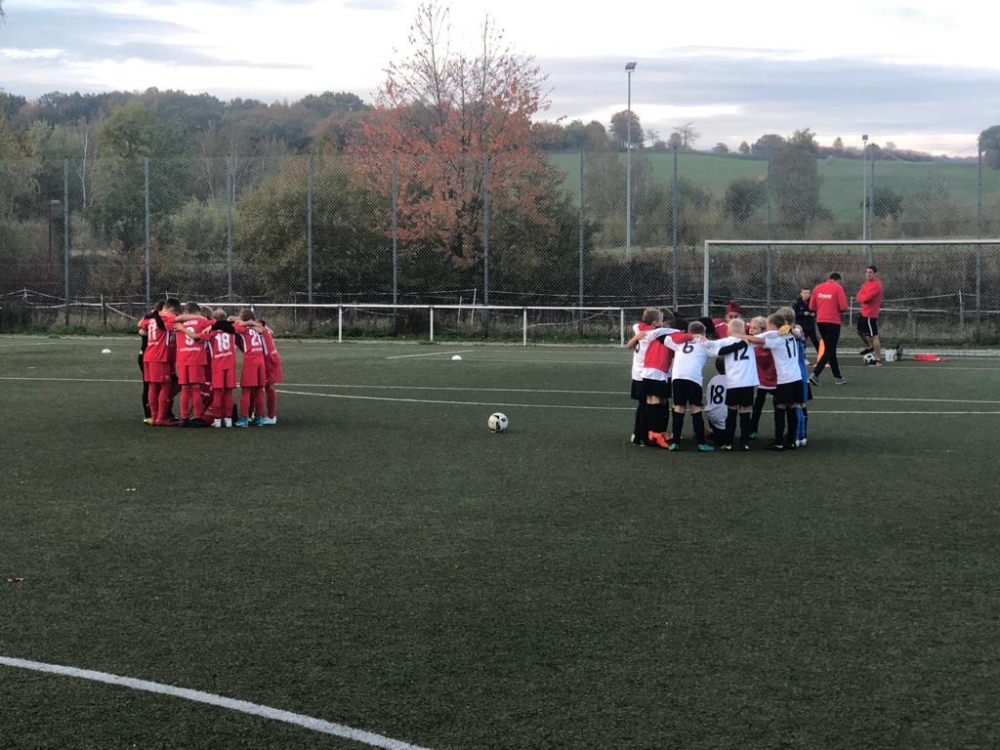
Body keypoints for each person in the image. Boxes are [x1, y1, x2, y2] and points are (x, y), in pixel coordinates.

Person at [743, 313, 806, 451]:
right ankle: (792, 441)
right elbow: (798, 331)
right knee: (792, 408)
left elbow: (758, 340)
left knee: (780, 408)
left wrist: (739, 336)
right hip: (796, 377)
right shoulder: (790, 335)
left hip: (785, 379)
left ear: (772, 326)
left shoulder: (777, 340)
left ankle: (779, 442)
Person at [664, 321, 723, 452]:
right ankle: (701, 443)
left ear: (689, 332)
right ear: (703, 332)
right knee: (695, 409)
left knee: (679, 408)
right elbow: (717, 351)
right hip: (693, 378)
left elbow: (666, 339)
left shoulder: (679, 342)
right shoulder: (704, 343)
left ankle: (676, 442)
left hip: (677, 377)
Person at [715, 317, 759, 451]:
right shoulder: (750, 341)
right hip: (747, 382)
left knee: (731, 412)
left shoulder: (727, 341)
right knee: (745, 412)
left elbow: (715, 349)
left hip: (733, 382)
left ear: (730, 330)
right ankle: (745, 442)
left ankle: (729, 442)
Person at [138, 297, 180, 426]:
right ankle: (161, 418)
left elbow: (140, 325)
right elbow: (178, 323)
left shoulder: (150, 318)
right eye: (176, 312)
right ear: (171, 310)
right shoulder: (167, 318)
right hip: (160, 357)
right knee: (166, 386)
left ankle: (154, 417)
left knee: (152, 386)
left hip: (148, 355)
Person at [174, 302, 214, 427]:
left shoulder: (178, 323)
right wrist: (202, 319)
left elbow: (167, 320)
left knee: (185, 389)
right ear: (197, 312)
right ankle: (197, 416)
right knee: (196, 389)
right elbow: (216, 323)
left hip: (182, 358)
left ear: (186, 312)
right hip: (196, 358)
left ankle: (184, 417)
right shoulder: (202, 321)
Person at [809, 272, 848, 386]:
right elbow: (843, 307)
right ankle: (815, 374)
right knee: (829, 350)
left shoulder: (817, 288)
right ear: (838, 280)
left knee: (830, 349)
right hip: (833, 322)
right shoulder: (838, 288)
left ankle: (838, 377)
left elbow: (811, 306)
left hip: (820, 321)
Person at [747, 315, 776, 440]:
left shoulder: (771, 342)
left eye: (755, 328)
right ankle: (752, 429)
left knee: (779, 406)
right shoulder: (751, 344)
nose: (751, 330)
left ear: (764, 330)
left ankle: (780, 433)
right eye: (751, 327)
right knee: (757, 406)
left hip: (775, 379)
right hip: (762, 380)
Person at [856, 264, 884, 366]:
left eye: (870, 272)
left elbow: (866, 298)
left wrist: (863, 298)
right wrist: (862, 298)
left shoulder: (877, 285)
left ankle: (877, 359)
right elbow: (859, 296)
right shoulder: (866, 284)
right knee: (860, 331)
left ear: (875, 274)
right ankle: (870, 347)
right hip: (863, 312)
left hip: (870, 314)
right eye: (867, 272)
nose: (868, 274)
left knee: (874, 336)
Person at [258, 318, 283, 425]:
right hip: (271, 358)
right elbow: (271, 332)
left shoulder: (258, 328)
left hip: (270, 360)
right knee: (266, 387)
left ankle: (271, 416)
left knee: (269, 387)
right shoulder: (263, 327)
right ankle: (264, 414)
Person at [703, 357, 728, 444]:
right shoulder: (731, 380)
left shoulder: (713, 380)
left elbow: (708, 398)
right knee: (724, 440)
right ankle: (713, 435)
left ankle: (713, 432)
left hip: (711, 415)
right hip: (723, 418)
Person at [792, 288, 819, 356]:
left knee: (815, 341)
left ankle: (821, 356)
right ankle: (801, 355)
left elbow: (817, 312)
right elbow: (794, 314)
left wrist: (814, 314)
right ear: (801, 294)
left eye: (808, 293)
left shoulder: (813, 303)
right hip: (801, 326)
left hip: (810, 326)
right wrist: (803, 313)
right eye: (805, 293)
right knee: (802, 341)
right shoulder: (797, 304)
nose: (807, 295)